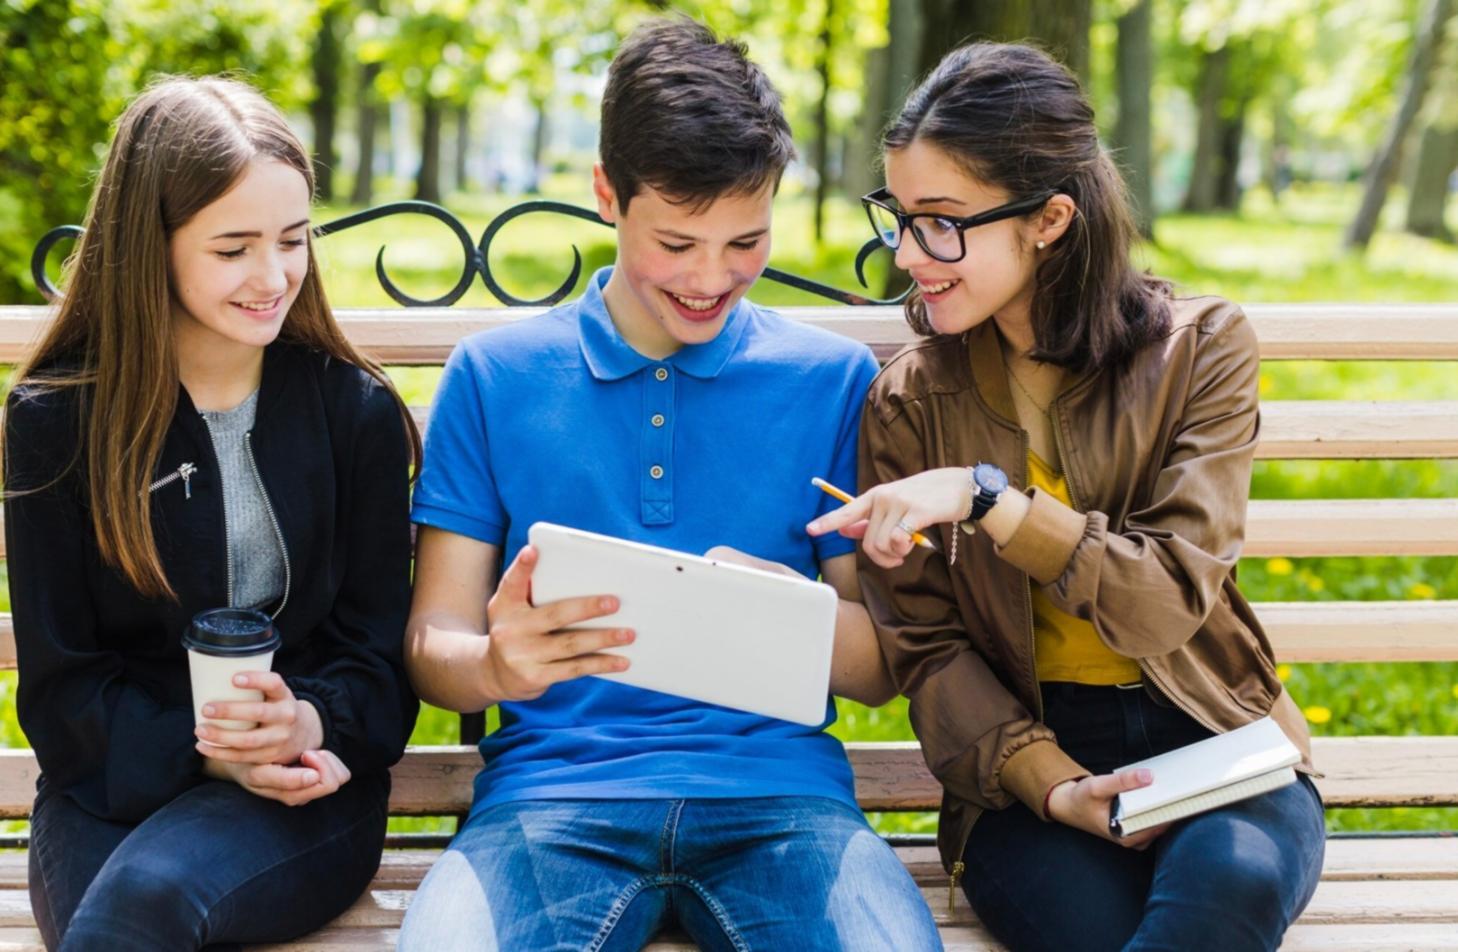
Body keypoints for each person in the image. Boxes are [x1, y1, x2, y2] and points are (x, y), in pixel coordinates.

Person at [397, 18, 941, 952]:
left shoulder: (832, 383)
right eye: (678, 242)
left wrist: (795, 615)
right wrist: (495, 663)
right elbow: (430, 642)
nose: (710, 278)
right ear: (608, 194)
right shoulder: (496, 377)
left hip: (782, 800)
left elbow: (882, 671)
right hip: (549, 798)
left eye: (746, 241)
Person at [809, 42, 1325, 952]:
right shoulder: (909, 400)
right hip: (1027, 768)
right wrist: (1050, 784)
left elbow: (1165, 600)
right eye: (898, 214)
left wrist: (988, 501)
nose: (907, 253)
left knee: (1229, 890)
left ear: (1049, 219)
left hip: (1214, 734)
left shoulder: (1200, 350)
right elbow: (927, 651)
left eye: (941, 221)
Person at [3, 76, 420, 951]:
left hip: (306, 787)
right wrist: (201, 753)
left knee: (138, 910)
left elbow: (375, 661)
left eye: (294, 240)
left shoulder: (356, 414)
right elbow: (61, 686)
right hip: (109, 784)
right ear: (148, 246)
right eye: (233, 249)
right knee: (126, 913)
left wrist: (305, 722)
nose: (273, 277)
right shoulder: (55, 424)